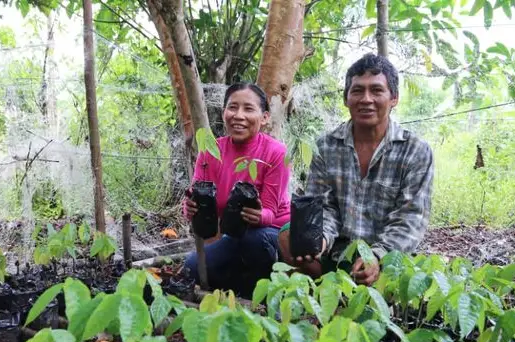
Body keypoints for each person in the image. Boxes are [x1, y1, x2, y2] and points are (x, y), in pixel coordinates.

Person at [279, 54, 434, 286]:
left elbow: (409, 220)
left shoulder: (415, 151)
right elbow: (324, 208)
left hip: (386, 257)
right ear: (346, 98)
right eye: (358, 91)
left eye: (377, 91)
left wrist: (377, 256)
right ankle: (326, 284)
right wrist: (319, 239)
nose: (366, 99)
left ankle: (364, 290)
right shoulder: (326, 146)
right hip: (337, 253)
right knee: (287, 235)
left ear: (394, 98)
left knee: (393, 280)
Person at [182, 82, 291, 294]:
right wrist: (190, 209)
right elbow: (201, 208)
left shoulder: (277, 153)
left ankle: (264, 294)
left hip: (269, 234)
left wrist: (258, 215)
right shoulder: (210, 152)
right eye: (232, 107)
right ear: (224, 112)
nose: (238, 115)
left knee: (254, 241)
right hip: (231, 236)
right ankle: (238, 291)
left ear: (265, 117)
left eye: (248, 109)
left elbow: (271, 212)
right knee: (192, 267)